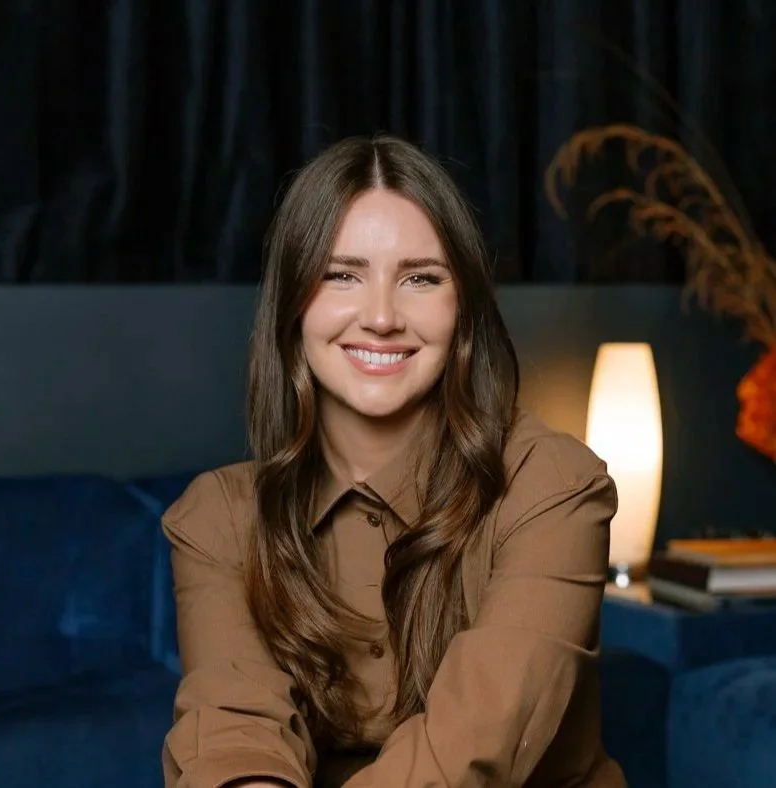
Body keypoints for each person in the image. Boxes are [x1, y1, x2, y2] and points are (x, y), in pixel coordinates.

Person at [161, 134, 627, 788]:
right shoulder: (219, 518)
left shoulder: (552, 486)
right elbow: (238, 736)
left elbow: (472, 745)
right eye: (341, 273)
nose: (381, 316)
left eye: (420, 278)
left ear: (460, 307)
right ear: (294, 301)